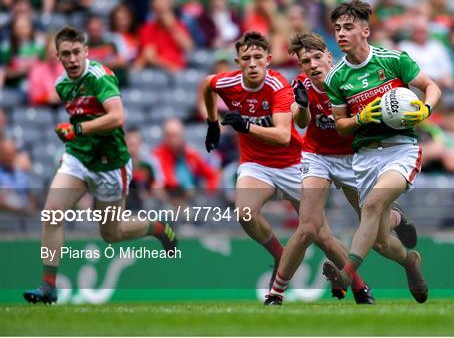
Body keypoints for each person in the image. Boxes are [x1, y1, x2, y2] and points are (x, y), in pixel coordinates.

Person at [23, 26, 177, 304]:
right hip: (79, 159)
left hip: (110, 165)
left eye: (76, 53)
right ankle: (48, 286)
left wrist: (78, 132)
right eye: (66, 54)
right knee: (51, 214)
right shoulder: (61, 85)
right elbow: (80, 119)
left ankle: (156, 228)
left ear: (86, 52)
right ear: (57, 56)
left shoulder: (100, 77)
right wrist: (72, 144)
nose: (72, 59)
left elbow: (117, 117)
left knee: (111, 233)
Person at [263, 32, 419, 305]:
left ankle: (399, 232)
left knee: (381, 241)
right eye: (305, 61)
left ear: (329, 56)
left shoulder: (347, 80)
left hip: (352, 158)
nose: (312, 65)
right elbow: (301, 122)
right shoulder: (301, 83)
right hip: (317, 156)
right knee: (308, 227)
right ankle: (275, 294)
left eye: (316, 57)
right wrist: (300, 105)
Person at [202, 31, 349, 293]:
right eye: (245, 58)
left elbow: (283, 136)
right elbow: (208, 84)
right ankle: (280, 255)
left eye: (258, 57)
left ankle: (360, 286)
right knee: (244, 212)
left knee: (321, 236)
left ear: (268, 59)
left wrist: (246, 126)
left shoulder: (278, 85)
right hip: (256, 164)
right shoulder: (229, 82)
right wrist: (212, 123)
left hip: (294, 162)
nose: (252, 62)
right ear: (237, 62)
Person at [323, 0, 442, 304]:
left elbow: (433, 87)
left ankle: (346, 274)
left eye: (348, 27)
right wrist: (361, 117)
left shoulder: (392, 60)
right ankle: (410, 262)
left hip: (401, 149)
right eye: (337, 28)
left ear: (365, 30)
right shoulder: (336, 78)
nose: (340, 33)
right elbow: (340, 126)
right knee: (378, 241)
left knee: (373, 206)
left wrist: (425, 110)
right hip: (365, 158)